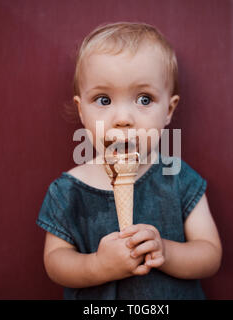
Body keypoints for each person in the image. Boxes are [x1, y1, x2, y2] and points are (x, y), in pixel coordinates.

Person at [36, 22, 222, 299]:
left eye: (144, 99)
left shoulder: (179, 178)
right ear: (82, 111)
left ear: (168, 110)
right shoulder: (67, 191)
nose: (123, 119)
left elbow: (210, 254)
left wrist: (166, 252)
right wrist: (98, 266)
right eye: (103, 99)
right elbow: (55, 262)